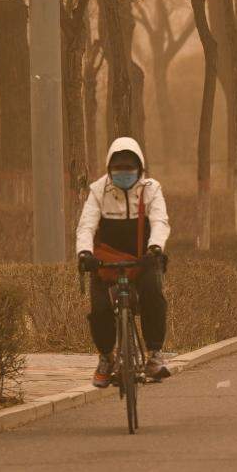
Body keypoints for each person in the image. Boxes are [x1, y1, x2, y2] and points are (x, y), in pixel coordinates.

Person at [76, 137, 171, 388]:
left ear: (140, 169)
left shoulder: (151, 189)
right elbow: (86, 225)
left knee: (154, 296)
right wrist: (85, 253)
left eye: (130, 169)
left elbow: (160, 221)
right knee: (99, 309)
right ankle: (106, 357)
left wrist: (156, 247)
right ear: (109, 169)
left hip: (143, 259)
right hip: (105, 262)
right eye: (118, 169)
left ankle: (154, 355)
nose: (124, 173)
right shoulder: (98, 191)